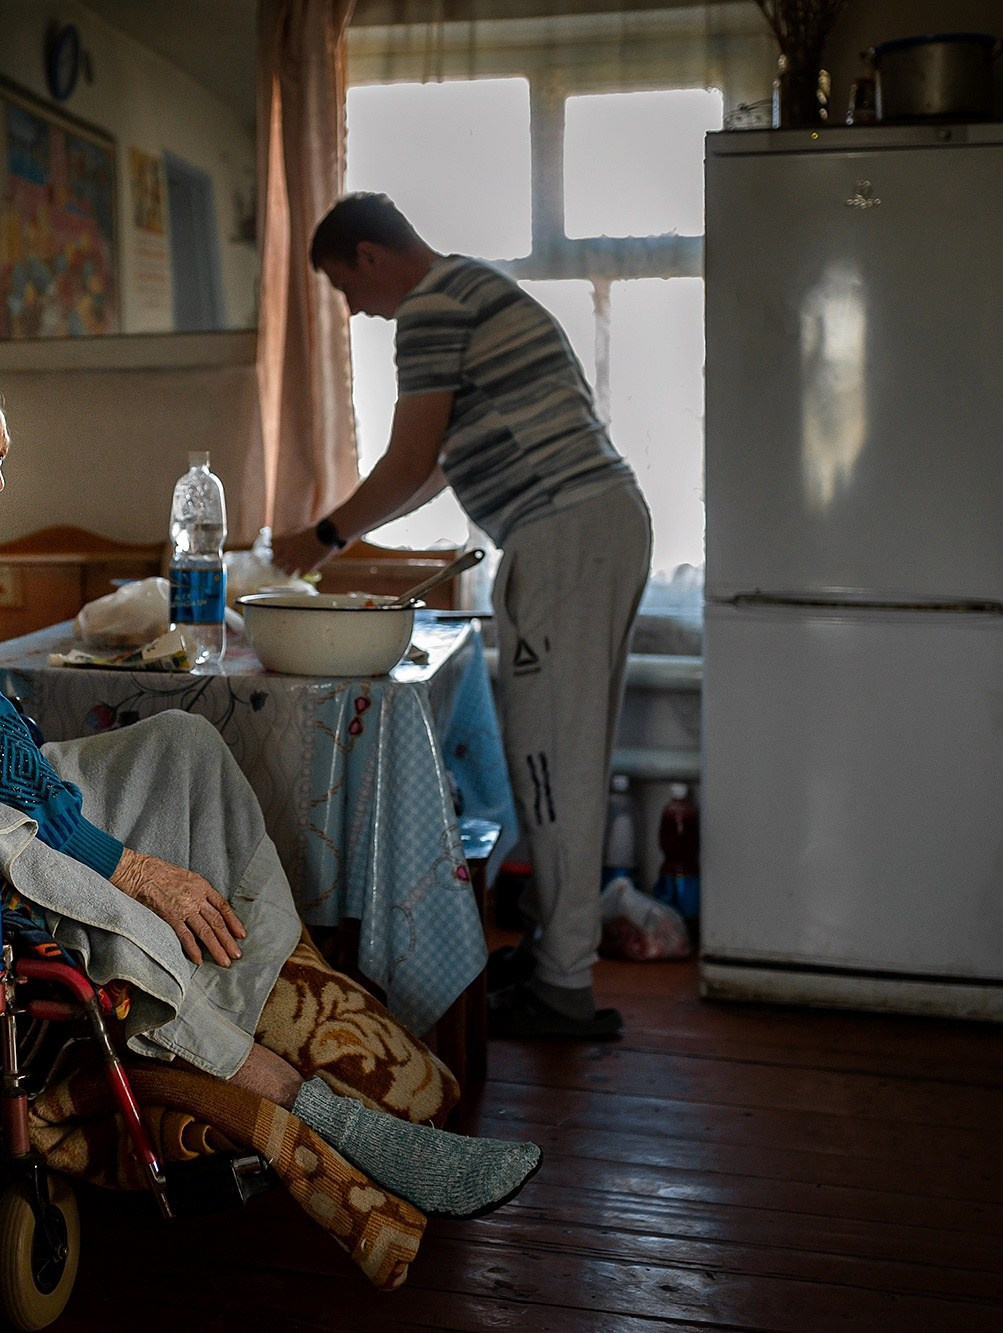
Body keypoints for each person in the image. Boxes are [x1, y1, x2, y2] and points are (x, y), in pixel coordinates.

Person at [0, 356, 543, 1219]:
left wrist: (96, 829)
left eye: (1, 458)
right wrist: (135, 868)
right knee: (70, 863)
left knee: (183, 746)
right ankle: (294, 1095)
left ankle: (262, 978)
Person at [272, 192, 652, 1040]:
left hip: (564, 529)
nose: (353, 308)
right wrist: (350, 528)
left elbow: (409, 461)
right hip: (596, 521)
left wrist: (322, 537)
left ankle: (563, 985)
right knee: (568, 753)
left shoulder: (432, 307)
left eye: (344, 287)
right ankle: (556, 955)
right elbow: (436, 468)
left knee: (551, 761)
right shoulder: (476, 289)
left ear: (371, 256)